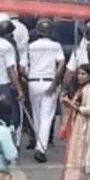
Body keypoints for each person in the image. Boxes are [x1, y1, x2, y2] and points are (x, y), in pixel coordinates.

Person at [24, 24, 65, 161]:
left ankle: (38, 142)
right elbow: (61, 64)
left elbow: (22, 67)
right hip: (49, 80)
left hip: (33, 82)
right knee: (46, 116)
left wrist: (30, 76)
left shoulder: (30, 46)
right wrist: (55, 82)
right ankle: (41, 148)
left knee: (36, 115)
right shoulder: (56, 46)